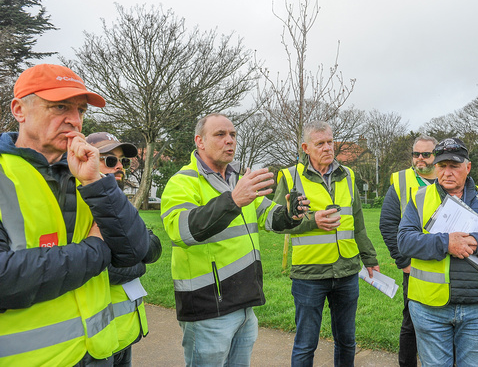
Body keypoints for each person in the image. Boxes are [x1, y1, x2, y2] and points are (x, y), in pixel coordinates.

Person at [0, 64, 149, 366]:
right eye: (59, 106)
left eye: (80, 110)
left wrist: (96, 182)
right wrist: (96, 250)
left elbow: (137, 251)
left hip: (99, 351)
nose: (75, 120)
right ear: (19, 109)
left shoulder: (88, 174)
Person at [160, 113, 309, 367]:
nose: (229, 140)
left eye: (233, 135)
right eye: (220, 135)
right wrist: (233, 200)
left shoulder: (238, 181)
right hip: (207, 308)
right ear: (200, 141)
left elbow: (270, 217)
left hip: (244, 305)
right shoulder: (182, 182)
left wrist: (291, 214)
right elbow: (182, 231)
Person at [397, 137, 478, 367]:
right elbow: (404, 241)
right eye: (442, 166)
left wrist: (477, 242)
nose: (447, 172)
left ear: (468, 167)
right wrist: (446, 243)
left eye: (454, 166)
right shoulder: (419, 198)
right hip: (429, 308)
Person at [274, 120, 380, 367]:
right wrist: (313, 222)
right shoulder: (290, 177)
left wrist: (370, 258)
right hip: (309, 274)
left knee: (347, 340)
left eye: (330, 142)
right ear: (306, 147)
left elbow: (358, 222)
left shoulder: (348, 175)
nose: (327, 148)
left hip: (346, 272)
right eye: (320, 143)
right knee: (305, 344)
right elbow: (275, 223)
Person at [87, 132, 163, 367]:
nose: (120, 166)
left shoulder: (119, 202)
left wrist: (132, 254)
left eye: (123, 161)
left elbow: (152, 246)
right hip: (95, 341)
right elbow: (98, 267)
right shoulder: (80, 205)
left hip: (125, 333)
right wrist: (138, 261)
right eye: (110, 160)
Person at [379, 135, 437, 367]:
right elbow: (387, 224)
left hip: (449, 264)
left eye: (426, 154)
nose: (419, 159)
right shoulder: (402, 181)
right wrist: (403, 261)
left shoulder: (448, 176)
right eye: (416, 154)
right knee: (411, 322)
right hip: (415, 266)